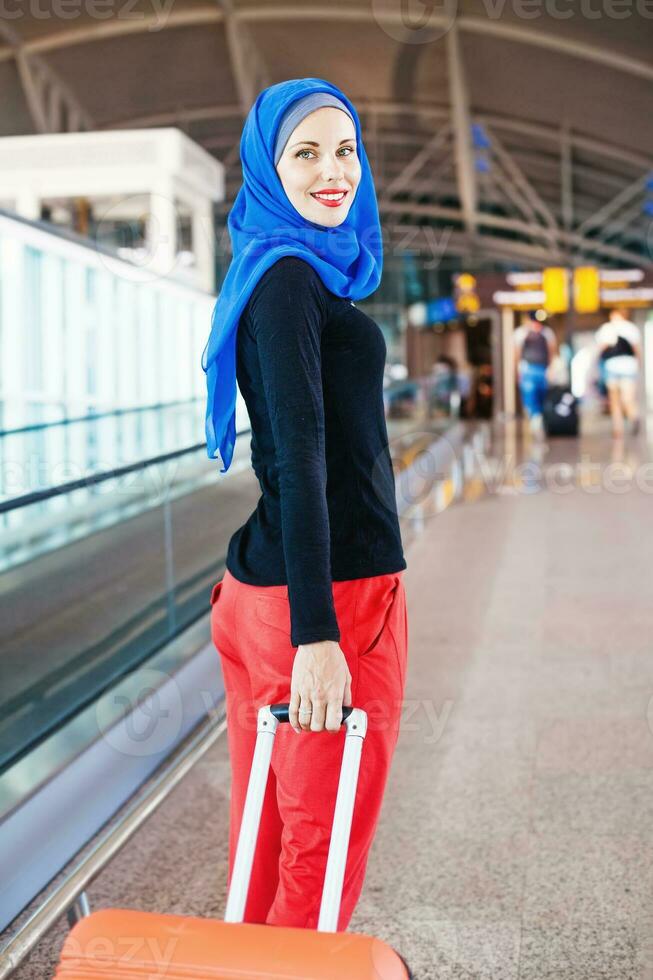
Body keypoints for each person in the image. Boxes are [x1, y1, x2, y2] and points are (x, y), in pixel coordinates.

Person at [201, 78, 408, 932]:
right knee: (319, 853)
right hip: (329, 600)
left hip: (261, 592)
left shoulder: (281, 271)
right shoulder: (288, 280)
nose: (334, 172)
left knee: (263, 833)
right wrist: (318, 636)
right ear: (263, 165)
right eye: (305, 153)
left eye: (345, 149)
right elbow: (300, 457)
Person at [595, 308, 642, 438]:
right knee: (627, 398)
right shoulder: (631, 328)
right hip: (628, 366)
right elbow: (637, 349)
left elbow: (601, 348)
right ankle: (633, 417)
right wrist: (639, 364)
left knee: (615, 399)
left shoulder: (607, 328)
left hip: (612, 366)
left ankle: (618, 428)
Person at [513, 312, 558, 435]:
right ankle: (535, 417)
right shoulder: (521, 333)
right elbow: (517, 353)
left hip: (542, 368)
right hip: (527, 368)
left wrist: (551, 368)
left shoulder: (546, 333)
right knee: (530, 394)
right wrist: (517, 370)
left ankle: (540, 416)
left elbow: (552, 351)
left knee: (542, 393)